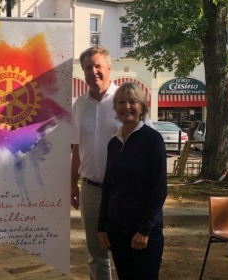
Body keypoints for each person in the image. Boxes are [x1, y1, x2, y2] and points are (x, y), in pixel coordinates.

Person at [71, 46, 154, 280]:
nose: (93, 71)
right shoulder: (78, 105)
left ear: (109, 68)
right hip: (91, 190)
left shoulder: (126, 101)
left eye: (98, 66)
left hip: (124, 192)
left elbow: (147, 141)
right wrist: (71, 184)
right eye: (88, 67)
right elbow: (77, 147)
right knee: (96, 254)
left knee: (125, 253)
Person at [98, 82, 167, 279]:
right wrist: (101, 227)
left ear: (142, 107)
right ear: (115, 108)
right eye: (121, 102)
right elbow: (108, 187)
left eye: (132, 101)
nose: (126, 106)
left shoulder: (152, 140)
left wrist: (144, 230)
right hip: (117, 230)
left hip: (145, 232)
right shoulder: (113, 143)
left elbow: (160, 189)